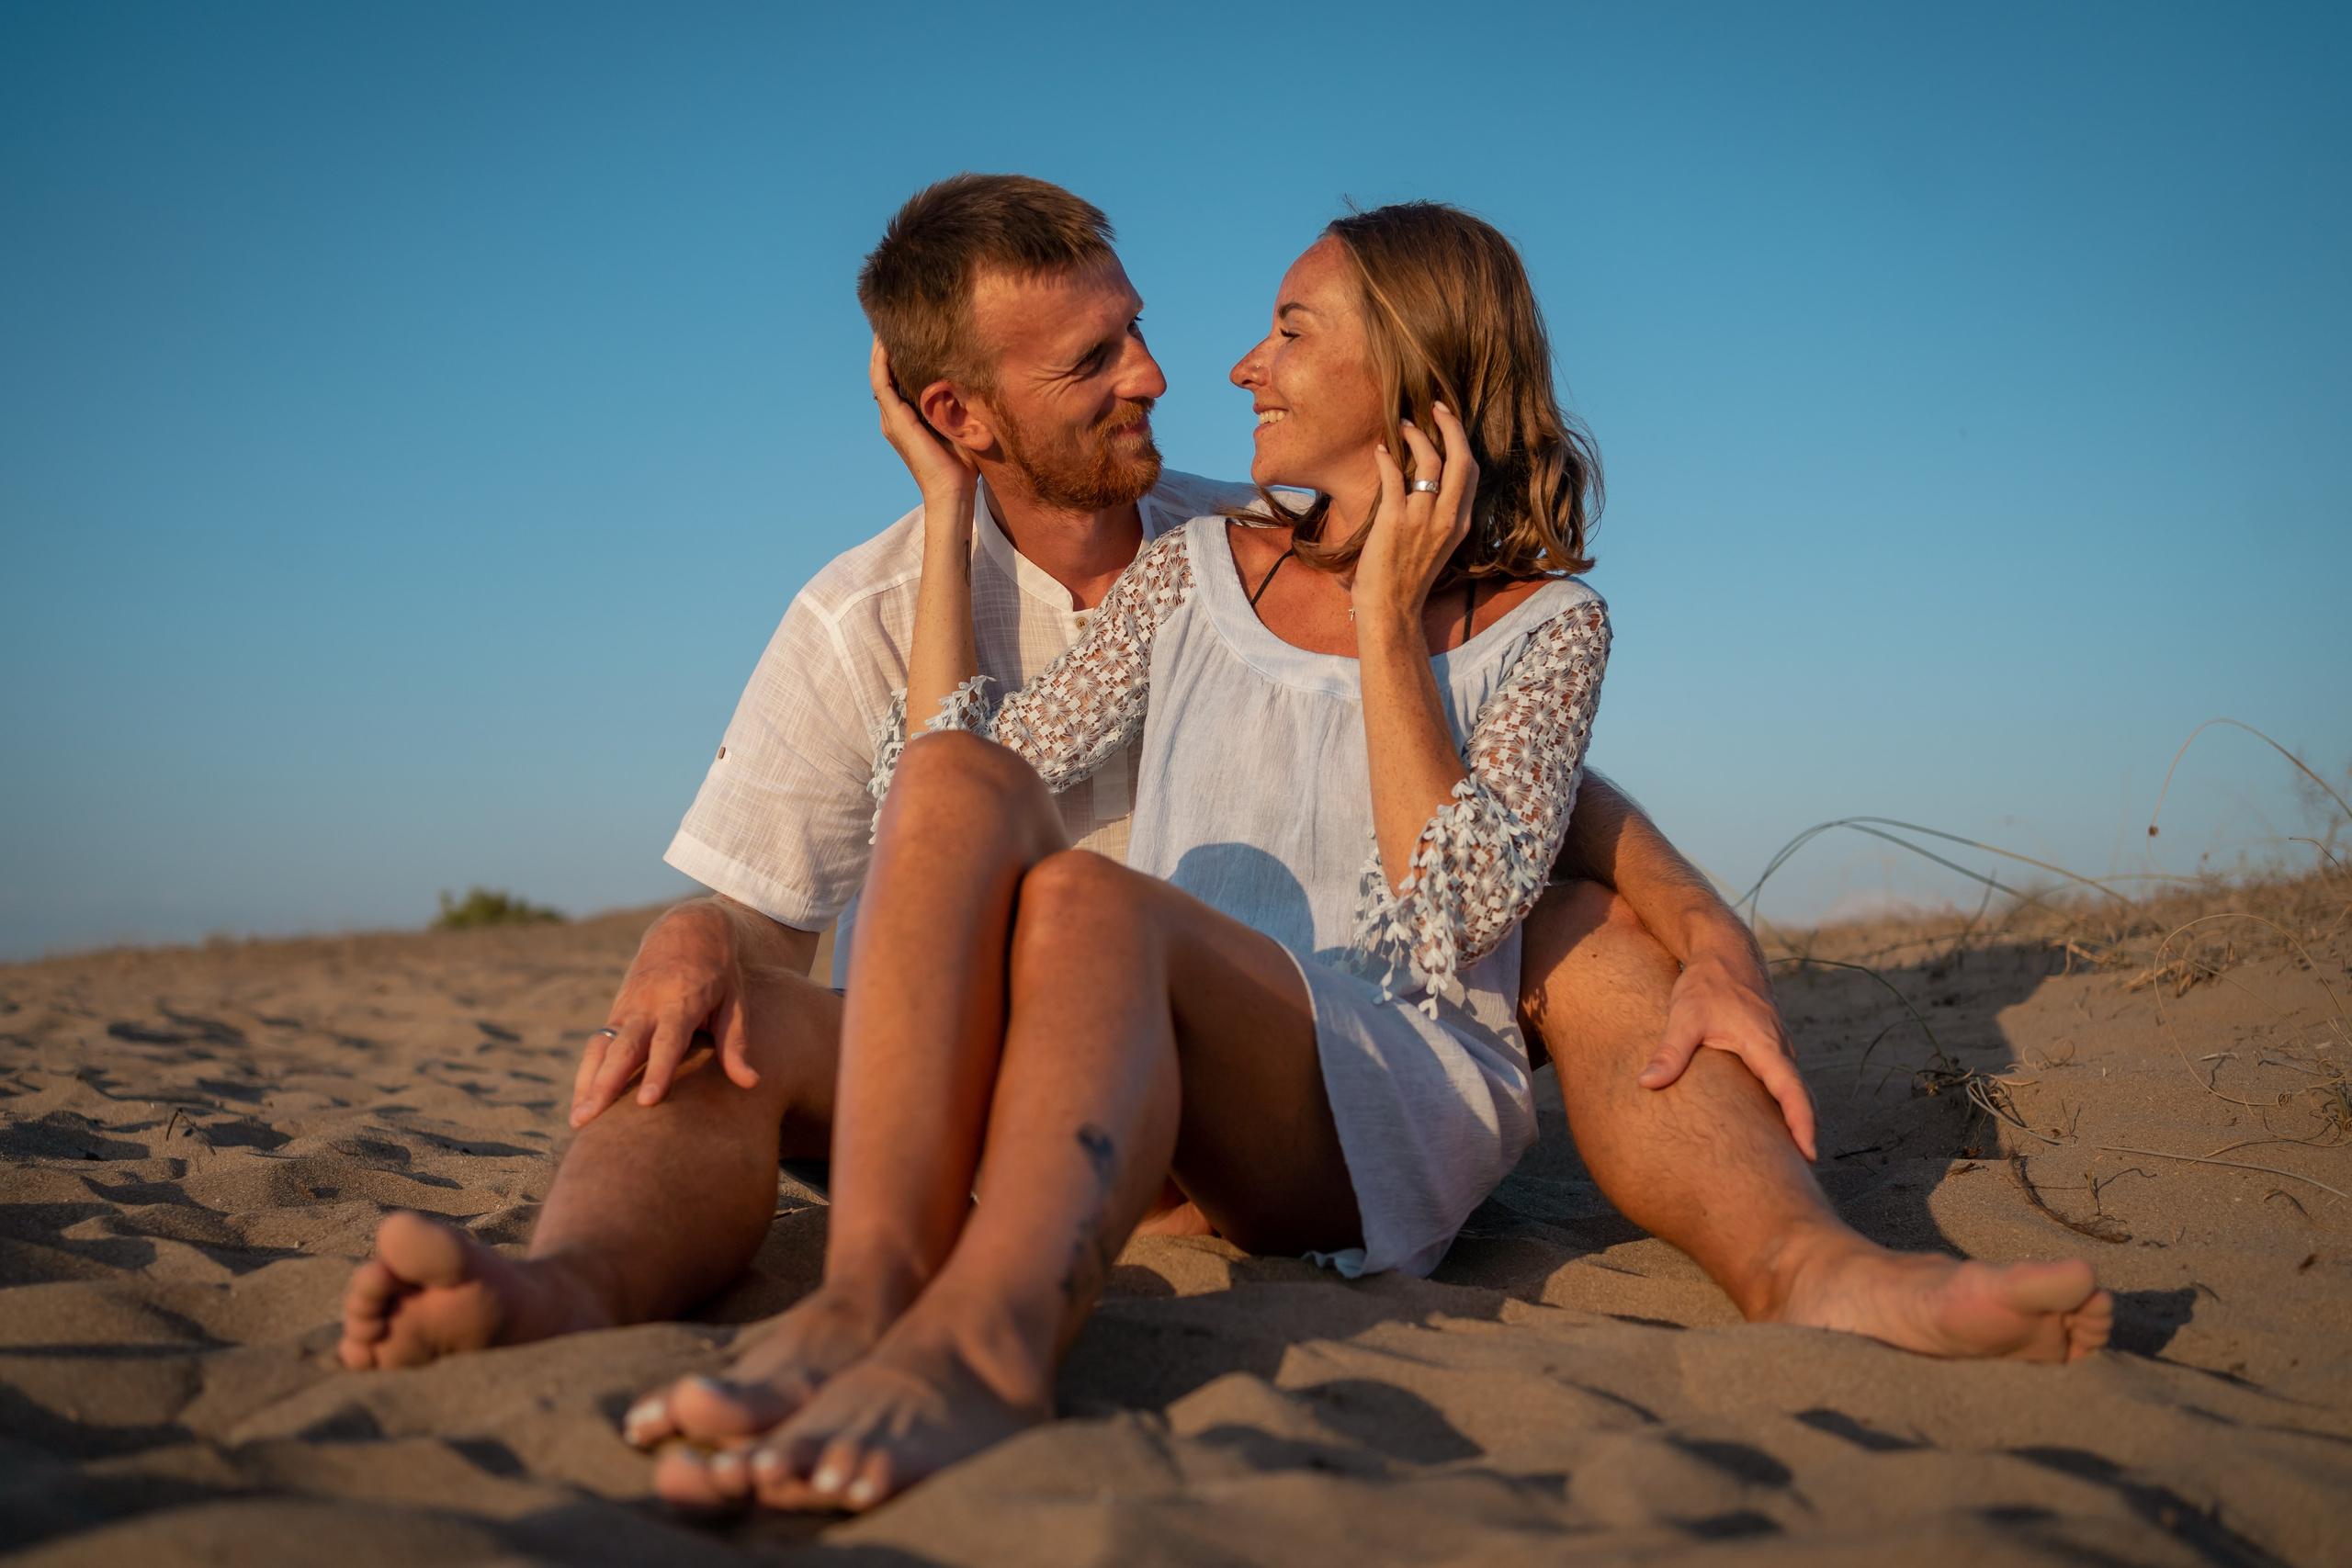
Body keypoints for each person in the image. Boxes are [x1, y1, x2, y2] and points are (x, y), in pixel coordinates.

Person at [335, 179, 2111, 1490]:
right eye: (1103, 354)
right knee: (876, 867)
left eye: (1286, 332)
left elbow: (1472, 898)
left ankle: (987, 1342)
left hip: (1354, 1077)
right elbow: (976, 770)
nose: (1207, 370)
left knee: (1109, 911)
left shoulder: (1530, 619)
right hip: (1085, 1057)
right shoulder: (1181, 565)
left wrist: (1409, 630)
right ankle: (728, 1291)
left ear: (1413, 378)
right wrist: (941, 540)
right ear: (961, 415)